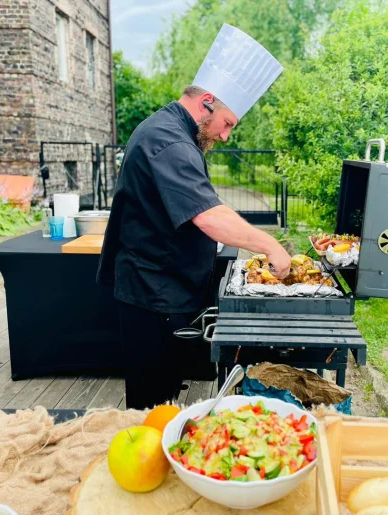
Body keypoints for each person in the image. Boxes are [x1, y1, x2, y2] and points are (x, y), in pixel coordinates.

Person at [97, 24, 291, 409]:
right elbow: (209, 216)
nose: (225, 135)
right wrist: (270, 245)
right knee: (150, 410)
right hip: (153, 296)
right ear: (207, 102)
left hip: (162, 291)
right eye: (227, 123)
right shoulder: (168, 140)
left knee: (165, 401)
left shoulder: (174, 133)